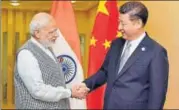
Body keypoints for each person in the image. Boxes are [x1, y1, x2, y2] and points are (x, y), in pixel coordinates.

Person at [77, 1, 169, 109]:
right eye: (119, 22)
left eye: (123, 24)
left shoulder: (156, 52)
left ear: (138, 24)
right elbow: (105, 72)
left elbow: (157, 95)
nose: (119, 27)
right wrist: (86, 85)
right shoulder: (116, 44)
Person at [14, 12, 89, 109]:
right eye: (51, 32)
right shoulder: (26, 54)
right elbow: (38, 90)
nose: (56, 35)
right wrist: (69, 92)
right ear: (37, 33)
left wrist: (70, 90)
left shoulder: (48, 48)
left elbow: (53, 82)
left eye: (56, 31)